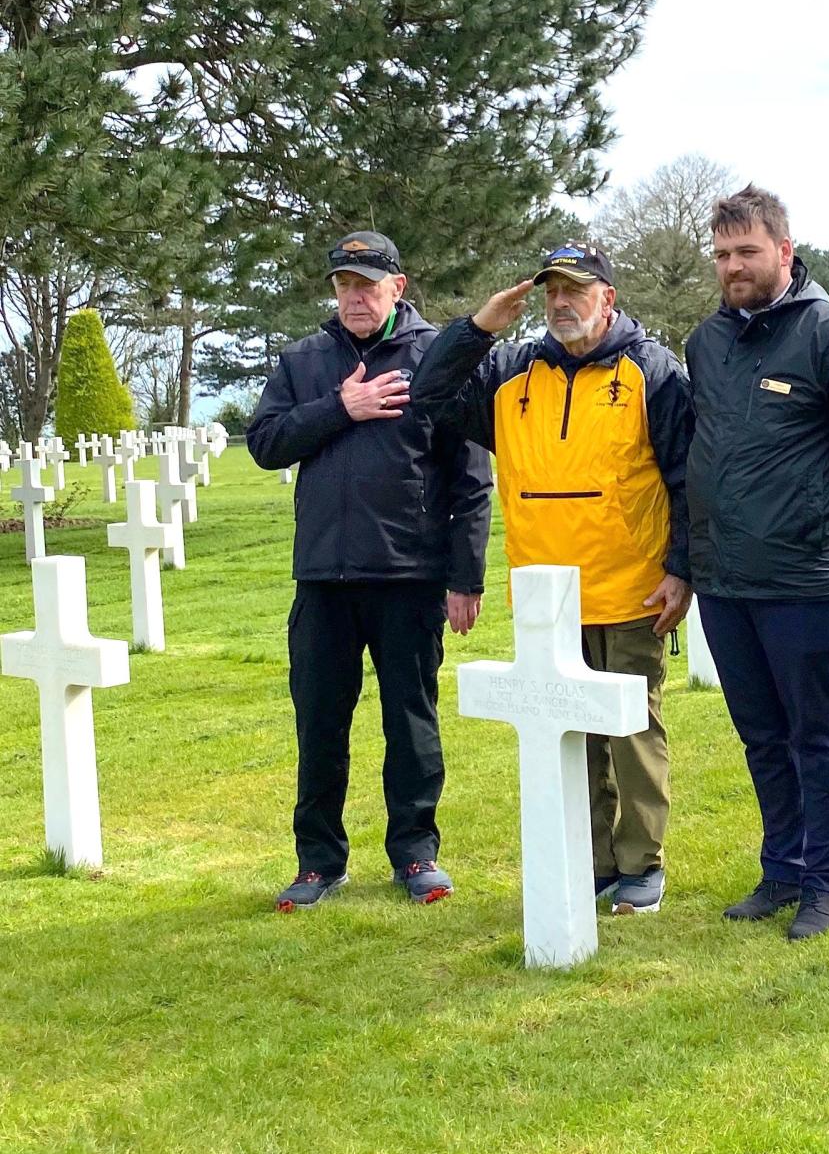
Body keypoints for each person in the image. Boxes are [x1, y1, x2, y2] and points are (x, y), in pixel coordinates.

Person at [406, 241, 693, 915]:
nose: (561, 303)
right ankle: (592, 861)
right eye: (551, 292)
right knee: (569, 737)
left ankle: (640, 863)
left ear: (607, 298)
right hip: (546, 595)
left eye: (576, 290)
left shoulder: (652, 370)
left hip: (630, 588)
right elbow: (429, 392)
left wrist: (681, 570)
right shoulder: (509, 371)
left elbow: (686, 478)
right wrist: (480, 327)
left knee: (631, 733)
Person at [247, 230, 493, 911]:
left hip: (408, 576)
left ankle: (416, 852)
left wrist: (464, 578)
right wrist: (340, 407)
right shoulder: (304, 361)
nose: (354, 296)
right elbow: (265, 442)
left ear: (398, 286)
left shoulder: (434, 358)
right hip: (324, 577)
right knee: (319, 722)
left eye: (367, 283)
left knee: (411, 720)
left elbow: (472, 479)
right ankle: (318, 860)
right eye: (343, 284)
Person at [685, 184, 829, 941]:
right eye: (723, 253)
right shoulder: (707, 342)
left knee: (817, 732)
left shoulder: (828, 333)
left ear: (784, 252)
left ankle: (828, 881)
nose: (733, 265)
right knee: (761, 734)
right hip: (726, 577)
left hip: (804, 574)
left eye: (747, 251)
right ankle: (783, 868)